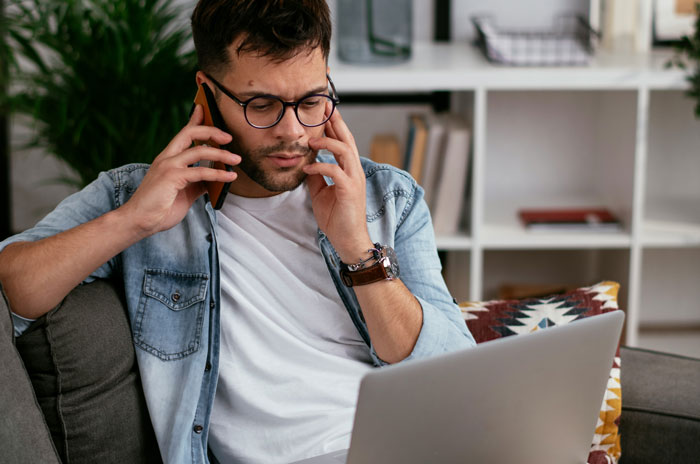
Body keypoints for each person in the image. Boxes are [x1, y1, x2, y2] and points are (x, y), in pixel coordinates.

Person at [0, 1, 475, 463]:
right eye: (262, 105)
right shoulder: (135, 197)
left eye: (312, 100)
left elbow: (454, 372)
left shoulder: (387, 197)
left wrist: (357, 248)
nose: (292, 132)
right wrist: (134, 222)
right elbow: (15, 285)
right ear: (206, 93)